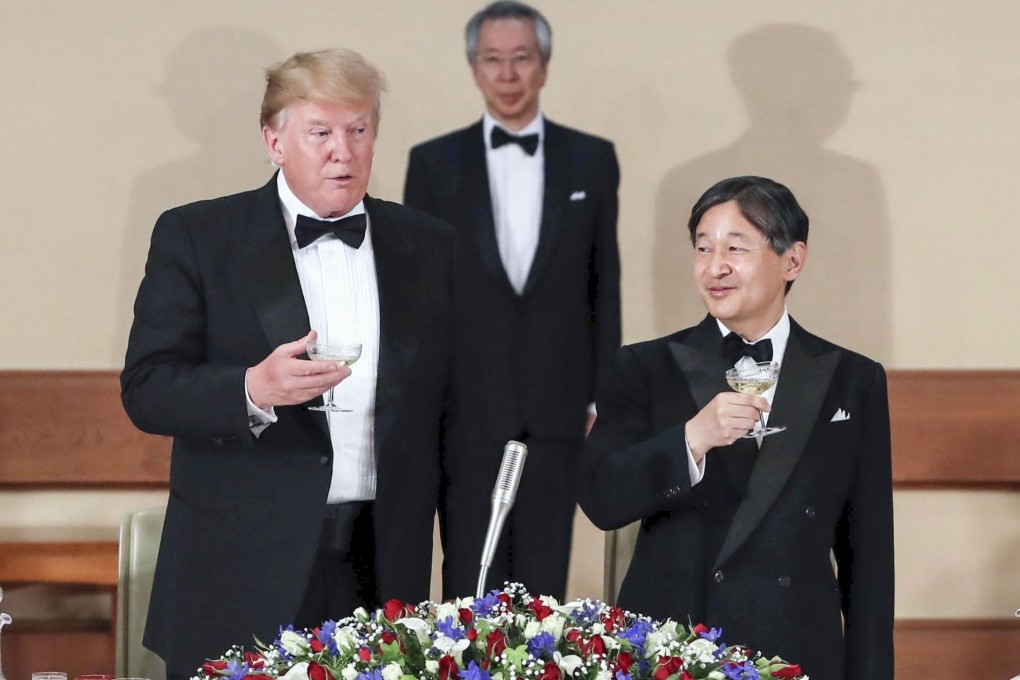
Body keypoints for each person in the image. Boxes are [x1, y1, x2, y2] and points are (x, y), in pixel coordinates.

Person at [121, 49, 455, 679]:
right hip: (236, 572)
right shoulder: (197, 235)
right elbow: (146, 389)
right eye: (320, 132)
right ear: (274, 142)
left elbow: (456, 411)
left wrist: (465, 587)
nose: (344, 151)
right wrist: (253, 388)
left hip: (383, 569)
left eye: (359, 130)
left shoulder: (429, 245)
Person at [579, 176, 893, 679]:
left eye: (735, 247)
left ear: (792, 260)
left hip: (797, 651)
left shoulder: (852, 380)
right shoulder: (643, 367)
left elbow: (870, 561)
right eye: (702, 248)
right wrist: (691, 440)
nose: (714, 266)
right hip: (674, 649)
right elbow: (601, 498)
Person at [403, 0, 620, 600]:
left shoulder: (592, 159)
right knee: (470, 580)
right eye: (492, 60)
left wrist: (605, 397)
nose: (507, 74)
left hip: (561, 409)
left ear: (544, 66)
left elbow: (606, 285)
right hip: (465, 410)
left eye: (520, 58)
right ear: (474, 69)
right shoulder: (432, 164)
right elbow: (420, 301)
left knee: (545, 580)